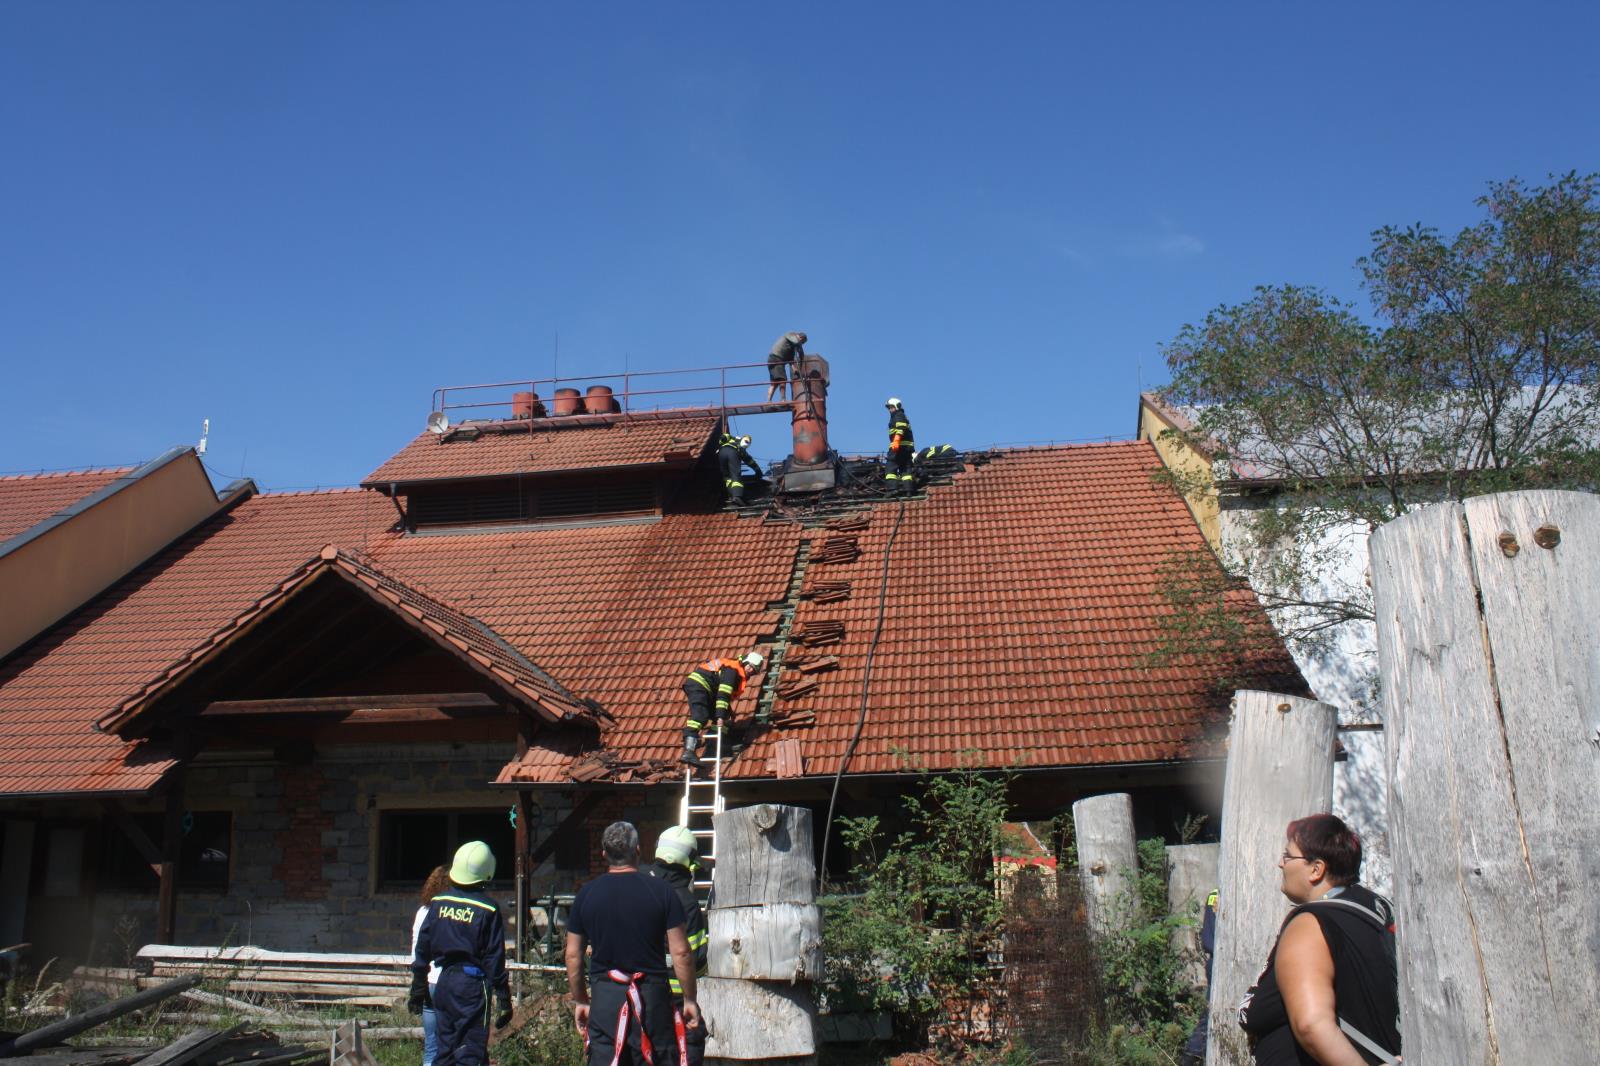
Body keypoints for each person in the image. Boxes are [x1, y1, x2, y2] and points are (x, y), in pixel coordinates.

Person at [1238, 814, 1401, 1065]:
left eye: (1288, 856)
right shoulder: (1376, 914)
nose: (1280, 864)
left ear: (1316, 869)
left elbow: (1311, 1025)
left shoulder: (1311, 923)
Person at [567, 822, 701, 1066]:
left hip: (606, 1000)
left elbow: (573, 955)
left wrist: (581, 1000)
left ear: (604, 854)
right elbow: (681, 952)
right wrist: (690, 999)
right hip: (652, 1001)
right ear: (638, 850)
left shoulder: (586, 895)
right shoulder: (662, 892)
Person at [409, 841, 513, 1066]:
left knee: (444, 1051)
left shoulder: (438, 903)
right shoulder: (488, 909)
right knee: (470, 1051)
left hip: (444, 982)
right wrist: (504, 997)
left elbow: (422, 949)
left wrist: (418, 986)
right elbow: (494, 958)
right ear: (486, 872)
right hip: (472, 986)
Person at [646, 827, 710, 1066]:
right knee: (690, 1044)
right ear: (688, 863)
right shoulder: (685, 902)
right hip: (675, 1002)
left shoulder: (637, 886)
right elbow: (697, 961)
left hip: (634, 997)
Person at [680, 651, 765, 769]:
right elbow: (723, 693)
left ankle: (715, 746)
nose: (751, 670)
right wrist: (720, 715)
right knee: (700, 716)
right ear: (744, 662)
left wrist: (725, 713)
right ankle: (689, 751)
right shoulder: (732, 670)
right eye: (750, 666)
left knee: (724, 718)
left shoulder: (738, 673)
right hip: (699, 685)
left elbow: (723, 695)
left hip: (708, 690)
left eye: (754, 670)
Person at [410, 864, 453, 1066]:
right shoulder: (451, 913)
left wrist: (417, 984)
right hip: (449, 981)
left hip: (428, 982)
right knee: (453, 1046)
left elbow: (416, 950)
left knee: (431, 1048)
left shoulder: (422, 912)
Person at [1179, 888, 1218, 1066]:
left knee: (1211, 1012)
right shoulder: (1218, 895)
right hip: (1221, 963)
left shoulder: (1214, 894)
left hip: (1217, 960)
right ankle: (1192, 1056)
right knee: (1212, 1013)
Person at [717, 431, 762, 504]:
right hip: (732, 453)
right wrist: (758, 471)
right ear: (742, 439)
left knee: (727, 477)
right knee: (736, 475)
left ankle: (732, 495)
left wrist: (758, 470)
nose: (746, 444)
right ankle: (737, 496)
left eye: (748, 443)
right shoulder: (738, 446)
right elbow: (749, 461)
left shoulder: (738, 446)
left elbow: (750, 461)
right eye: (746, 441)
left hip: (721, 453)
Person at [884, 397, 915, 495]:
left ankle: (892, 489)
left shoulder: (898, 415)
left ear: (897, 406)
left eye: (891, 407)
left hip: (898, 447)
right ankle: (908, 490)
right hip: (907, 448)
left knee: (890, 467)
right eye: (889, 408)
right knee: (905, 469)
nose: (890, 409)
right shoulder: (902, 416)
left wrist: (896, 440)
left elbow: (900, 428)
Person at [765, 332, 807, 402]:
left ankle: (768, 401)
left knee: (774, 383)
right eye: (802, 342)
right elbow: (796, 342)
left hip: (773, 359)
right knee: (783, 380)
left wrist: (795, 369)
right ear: (801, 337)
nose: (801, 344)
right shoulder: (791, 335)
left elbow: (790, 360)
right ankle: (783, 400)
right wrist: (801, 353)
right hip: (777, 358)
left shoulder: (791, 348)